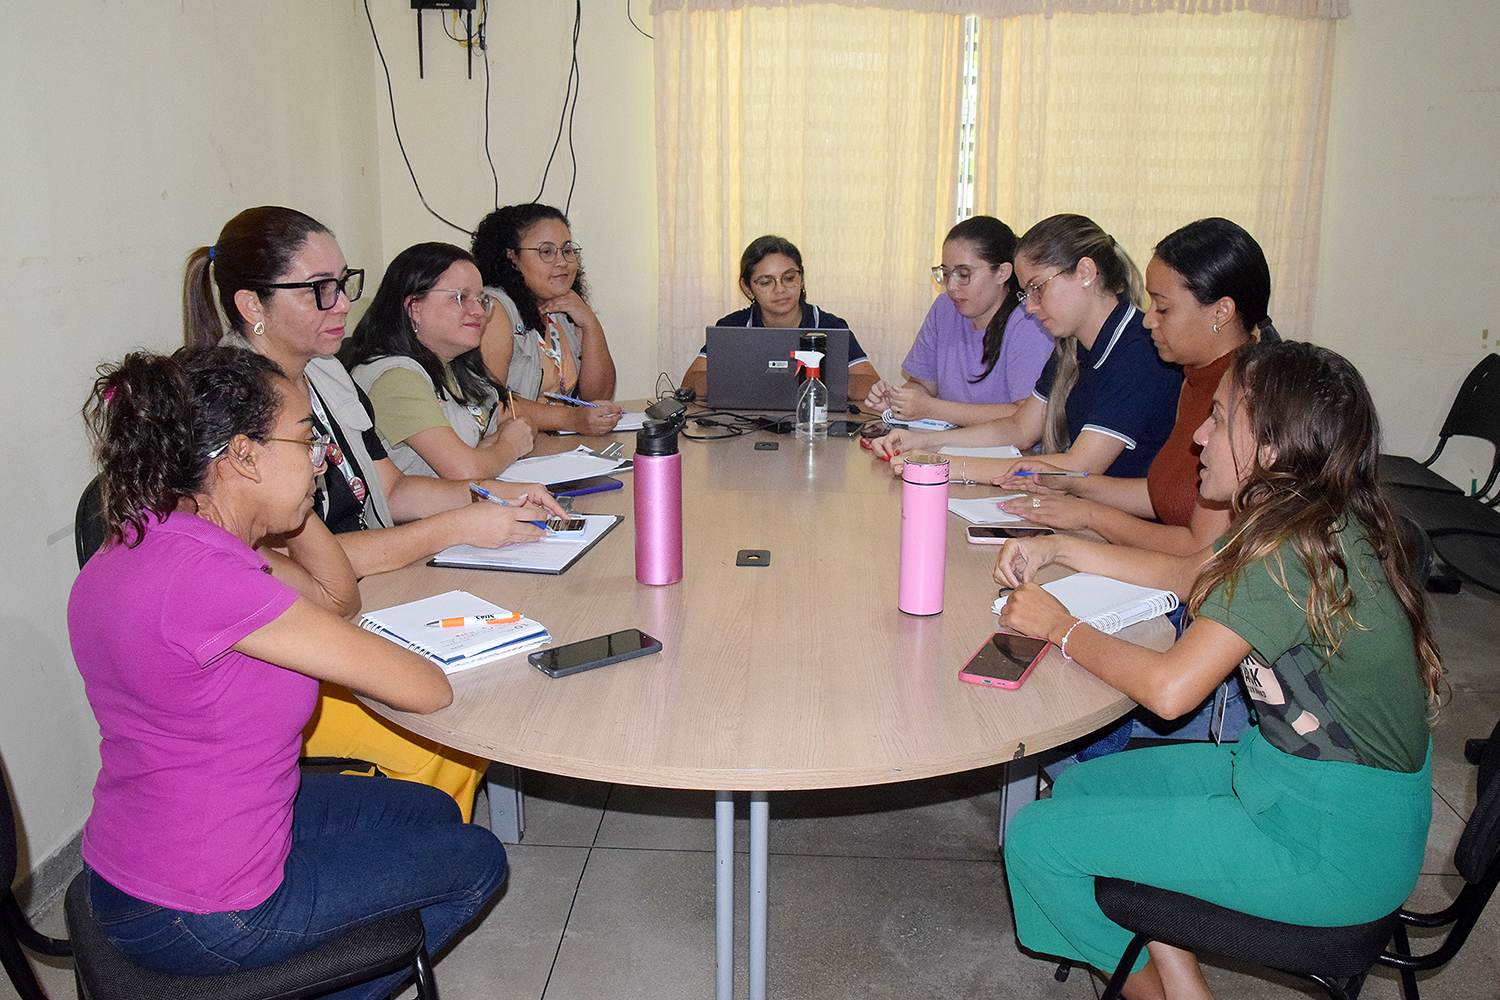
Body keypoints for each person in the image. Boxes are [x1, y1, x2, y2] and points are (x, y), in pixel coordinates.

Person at [995, 341, 1441, 1000]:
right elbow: (1186, 575)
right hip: (1296, 787)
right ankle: (1183, 984)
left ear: (1268, 449)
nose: (1199, 436)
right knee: (1086, 792)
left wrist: (1060, 628)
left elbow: (1171, 691)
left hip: (1331, 848)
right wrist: (1062, 547)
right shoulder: (1301, 514)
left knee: (1035, 840)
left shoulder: (1285, 552)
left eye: (1220, 416)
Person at [69, 348, 508, 997]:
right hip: (203, 911)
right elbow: (424, 687)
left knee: (429, 812)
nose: (324, 456)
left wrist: (287, 511)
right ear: (243, 455)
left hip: (133, 857)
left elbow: (335, 597)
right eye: (308, 437)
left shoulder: (153, 532)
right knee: (477, 859)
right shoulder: (212, 581)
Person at [185, 206, 565, 818]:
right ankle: (416, 855)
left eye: (344, 283)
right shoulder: (230, 408)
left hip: (374, 586)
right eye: (319, 290)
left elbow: (388, 489)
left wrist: (488, 495)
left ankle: (425, 851)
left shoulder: (328, 371)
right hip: (298, 626)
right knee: (447, 720)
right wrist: (460, 523)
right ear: (252, 305)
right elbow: (281, 566)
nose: (342, 305)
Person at [997, 218, 1280, 555]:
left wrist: (1088, 516)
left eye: (1162, 308)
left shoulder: (1246, 398)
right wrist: (1074, 483)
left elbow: (1198, 552)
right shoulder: (1194, 378)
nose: (1148, 320)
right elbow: (1166, 496)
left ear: (1221, 312)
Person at [871, 214, 1182, 482]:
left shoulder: (1138, 350)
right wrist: (925, 441)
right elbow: (1020, 428)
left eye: (1037, 289)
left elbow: (1079, 466)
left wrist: (947, 466)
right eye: (1025, 294)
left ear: (1085, 273)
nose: (1030, 307)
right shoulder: (1072, 345)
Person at [341, 241, 535, 480]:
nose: (479, 311)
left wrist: (491, 450)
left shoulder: (457, 365)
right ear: (415, 309)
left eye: (481, 299)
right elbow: (466, 471)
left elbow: (517, 424)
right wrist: (509, 446)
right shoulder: (395, 378)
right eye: (460, 297)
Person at [863, 216, 1052, 426]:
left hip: (1010, 453)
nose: (951, 286)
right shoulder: (944, 308)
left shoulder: (1029, 321)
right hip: (947, 443)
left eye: (963, 274)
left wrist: (931, 408)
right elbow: (923, 385)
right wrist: (900, 400)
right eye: (946, 273)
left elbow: (1026, 415)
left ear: (1002, 273)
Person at [472, 203, 624, 435]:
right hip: (511, 451)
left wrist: (591, 324)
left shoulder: (563, 306)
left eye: (567, 250)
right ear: (511, 256)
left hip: (556, 446)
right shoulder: (495, 309)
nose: (562, 261)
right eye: (546, 252)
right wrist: (572, 419)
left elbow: (597, 399)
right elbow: (492, 402)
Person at [679, 234, 881, 403]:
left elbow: (871, 383)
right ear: (748, 288)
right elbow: (690, 381)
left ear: (801, 279)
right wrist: (750, 383)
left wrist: (817, 384)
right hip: (746, 427)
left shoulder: (830, 326)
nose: (780, 289)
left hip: (814, 425)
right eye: (766, 282)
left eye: (789, 277)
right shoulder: (733, 327)